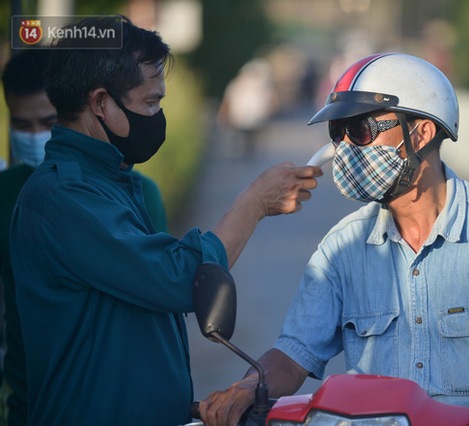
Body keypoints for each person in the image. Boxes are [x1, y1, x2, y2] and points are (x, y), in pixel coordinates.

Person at [199, 53, 469, 426]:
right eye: (337, 132)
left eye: (359, 130)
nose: (342, 148)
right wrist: (248, 386)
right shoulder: (341, 248)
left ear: (422, 132)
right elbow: (293, 353)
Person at [9, 16, 321, 426]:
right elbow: (181, 278)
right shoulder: (63, 198)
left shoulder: (111, 182)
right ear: (101, 103)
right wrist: (254, 203)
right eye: (150, 103)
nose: (157, 116)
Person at [0, 48, 171, 426]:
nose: (34, 136)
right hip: (38, 400)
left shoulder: (136, 192)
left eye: (46, 121)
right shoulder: (18, 194)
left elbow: (165, 285)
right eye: (21, 124)